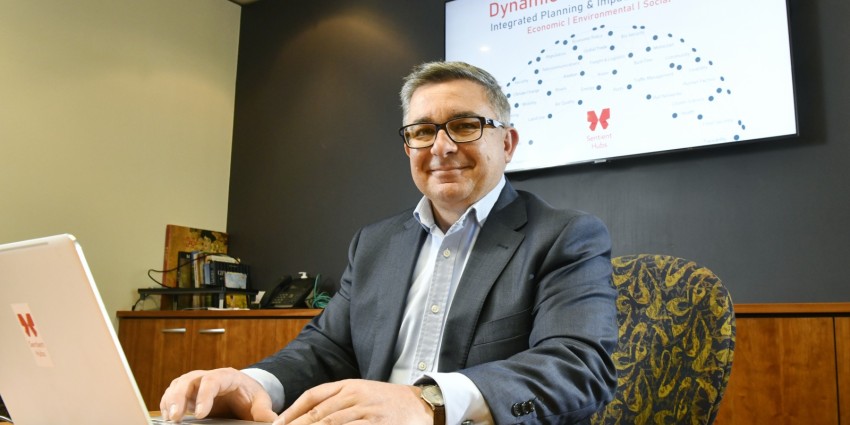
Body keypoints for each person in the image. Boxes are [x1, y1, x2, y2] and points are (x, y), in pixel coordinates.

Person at [160, 61, 618, 425]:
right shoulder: (375, 243)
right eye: (422, 131)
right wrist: (253, 383)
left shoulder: (565, 236)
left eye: (464, 125)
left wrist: (427, 403)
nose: (441, 147)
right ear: (408, 147)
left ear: (508, 142)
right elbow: (327, 349)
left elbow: (578, 369)